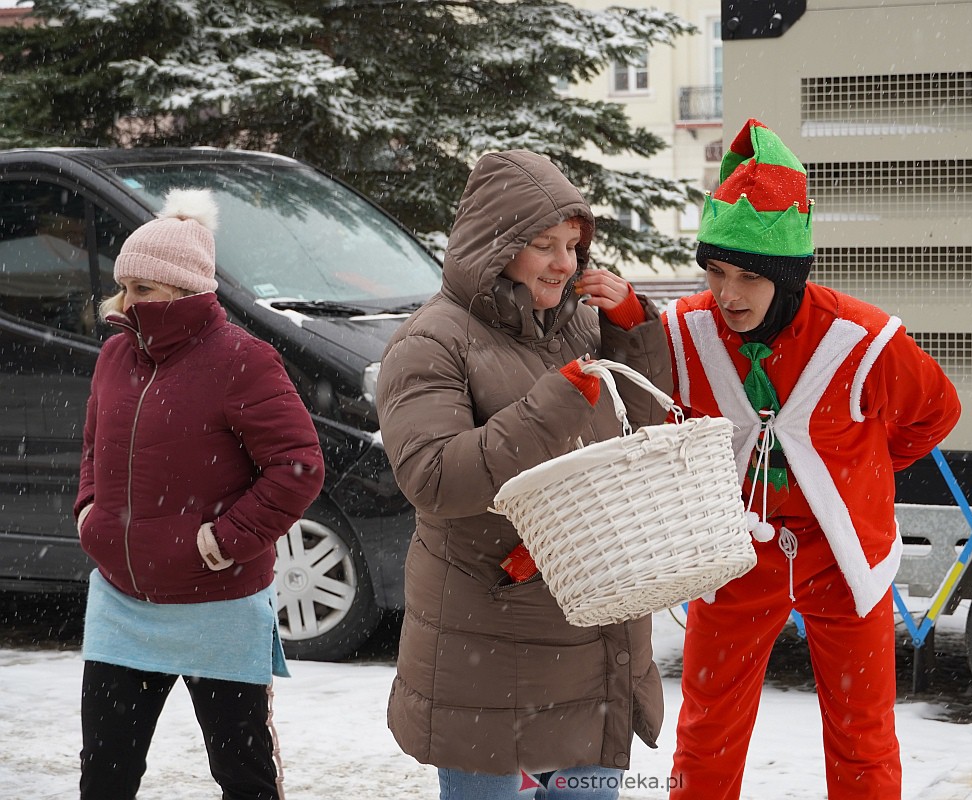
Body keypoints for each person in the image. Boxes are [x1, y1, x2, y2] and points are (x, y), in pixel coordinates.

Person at [663, 119, 962, 800]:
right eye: (715, 272)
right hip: (734, 555)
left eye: (749, 277)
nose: (728, 295)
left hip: (842, 555)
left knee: (862, 734)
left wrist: (863, 469)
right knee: (707, 727)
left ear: (790, 277)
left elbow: (935, 412)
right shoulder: (686, 331)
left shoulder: (866, 341)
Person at [375, 149, 673, 800]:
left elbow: (649, 442)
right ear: (495, 245)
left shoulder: (577, 329)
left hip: (590, 643)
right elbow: (433, 477)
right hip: (490, 648)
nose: (565, 263)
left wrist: (631, 335)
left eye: (572, 244)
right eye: (543, 244)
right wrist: (550, 405)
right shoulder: (431, 342)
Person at [73, 188, 325, 800]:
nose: (128, 302)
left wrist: (222, 542)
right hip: (120, 602)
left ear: (188, 292)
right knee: (104, 774)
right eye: (125, 286)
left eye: (145, 289)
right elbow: (91, 446)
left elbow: (298, 466)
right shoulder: (114, 354)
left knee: (243, 776)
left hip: (219, 605)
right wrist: (90, 515)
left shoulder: (243, 359)